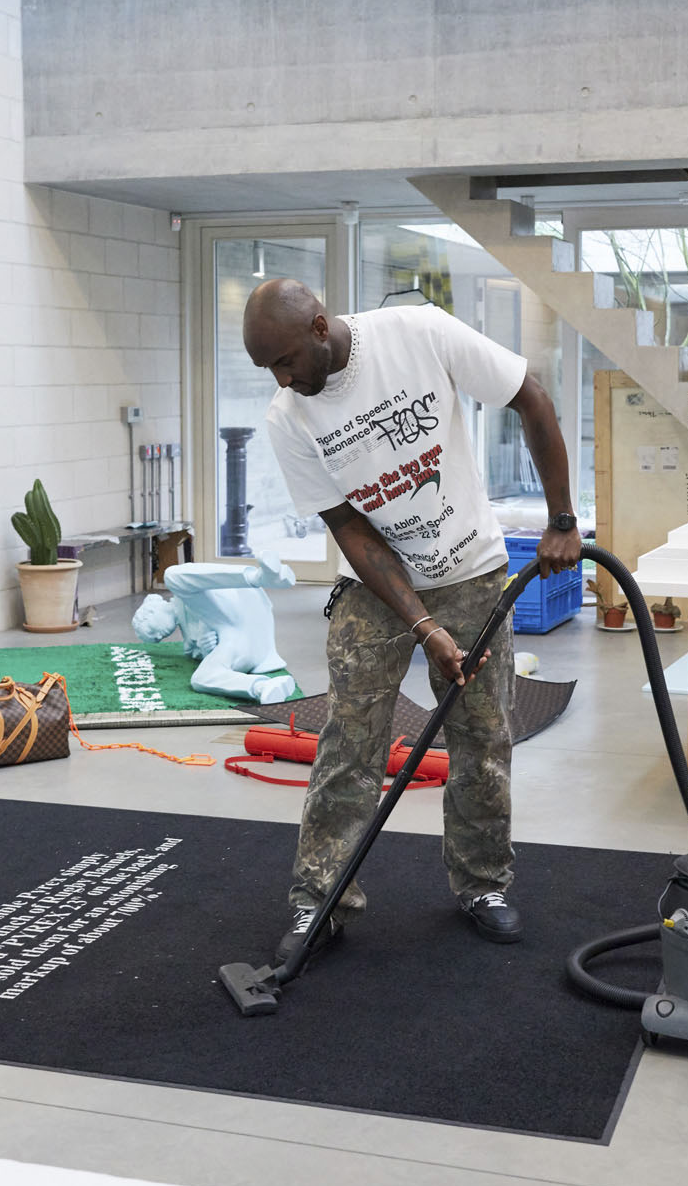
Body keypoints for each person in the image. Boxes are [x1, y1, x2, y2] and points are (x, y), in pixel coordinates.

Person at [242, 277, 581, 965]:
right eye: (268, 370)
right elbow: (351, 530)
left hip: (475, 572)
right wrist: (424, 624)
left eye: (285, 360)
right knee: (349, 744)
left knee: (483, 738)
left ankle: (483, 884)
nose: (282, 379)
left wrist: (563, 521)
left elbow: (531, 395)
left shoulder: (418, 334)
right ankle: (321, 898)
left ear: (317, 326)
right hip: (376, 588)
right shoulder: (289, 418)